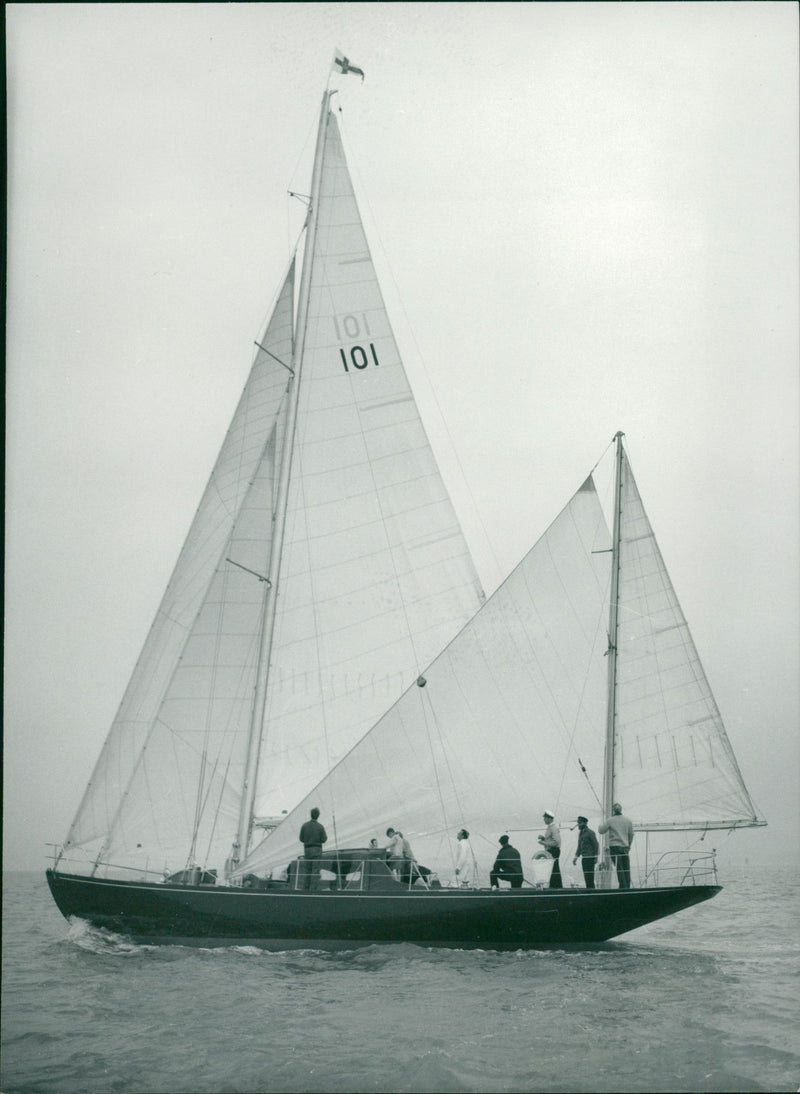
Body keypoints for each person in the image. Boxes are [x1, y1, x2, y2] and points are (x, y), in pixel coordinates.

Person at [599, 802, 634, 888]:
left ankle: (622, 886)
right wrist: (629, 845)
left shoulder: (610, 820)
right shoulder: (628, 820)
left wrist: (599, 826)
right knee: (626, 868)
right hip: (625, 847)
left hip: (615, 847)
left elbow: (601, 831)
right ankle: (627, 887)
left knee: (619, 868)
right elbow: (631, 834)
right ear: (621, 810)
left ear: (613, 811)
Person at [298, 806, 327, 889]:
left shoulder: (304, 826)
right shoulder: (320, 827)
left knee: (307, 870)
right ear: (318, 816)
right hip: (317, 849)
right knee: (315, 871)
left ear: (310, 815)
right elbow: (324, 839)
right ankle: (313, 889)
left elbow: (301, 838)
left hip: (307, 850)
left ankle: (305, 889)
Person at [571, 816, 599, 888]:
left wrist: (596, 857)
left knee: (590, 877)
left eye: (580, 823)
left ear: (585, 823)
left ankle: (592, 892)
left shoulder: (590, 832)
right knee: (586, 877)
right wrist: (576, 857)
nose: (578, 825)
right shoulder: (580, 833)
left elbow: (596, 845)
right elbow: (579, 846)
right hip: (584, 858)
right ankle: (589, 891)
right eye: (578, 823)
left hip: (590, 858)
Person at [537, 809, 562, 888]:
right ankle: (555, 886)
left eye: (545, 818)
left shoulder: (553, 828)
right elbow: (551, 839)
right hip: (551, 851)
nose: (544, 820)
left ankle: (557, 887)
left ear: (549, 818)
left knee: (554, 869)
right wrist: (543, 838)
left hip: (553, 851)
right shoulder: (550, 827)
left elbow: (556, 842)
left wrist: (543, 843)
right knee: (552, 870)